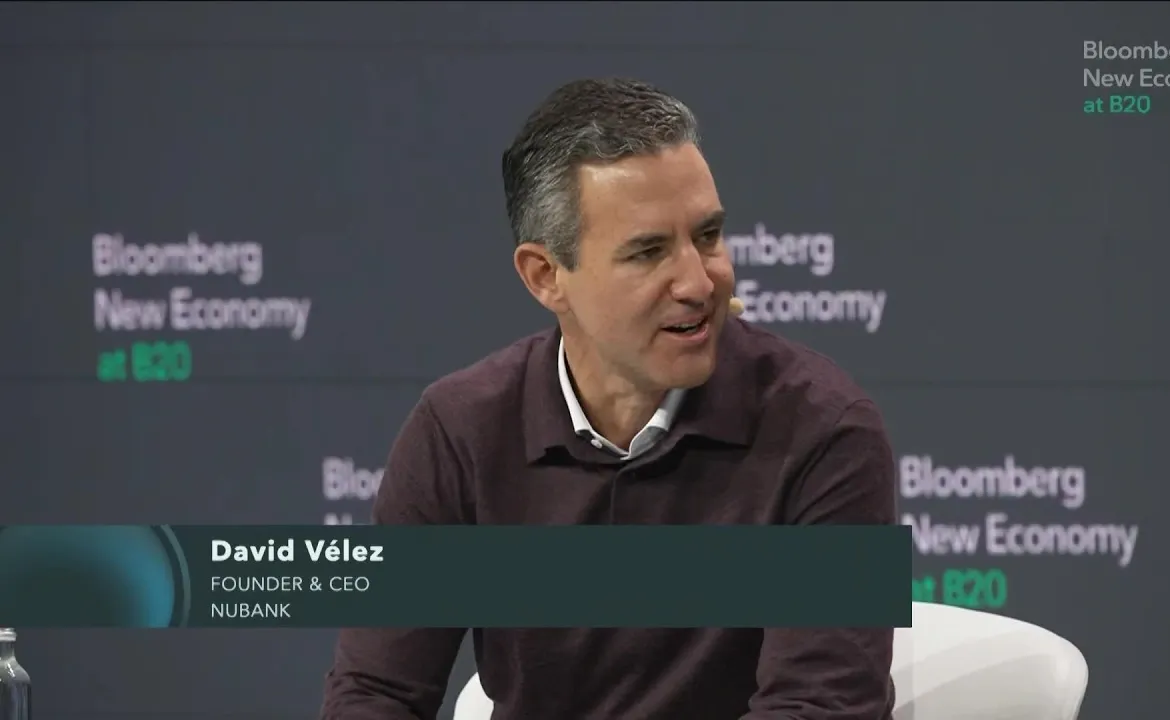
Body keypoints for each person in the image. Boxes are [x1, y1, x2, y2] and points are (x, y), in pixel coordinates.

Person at [320, 77, 897, 720]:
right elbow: (376, 692)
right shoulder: (459, 433)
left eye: (708, 236)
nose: (698, 281)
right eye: (648, 252)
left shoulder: (825, 432)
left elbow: (819, 707)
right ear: (546, 276)